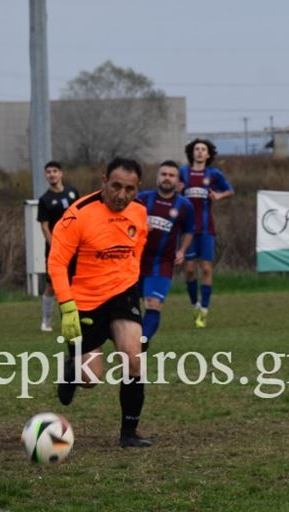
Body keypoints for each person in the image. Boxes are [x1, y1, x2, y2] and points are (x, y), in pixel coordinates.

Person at [48, 157, 151, 448]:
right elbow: (56, 263)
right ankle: (72, 371)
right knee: (91, 378)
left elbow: (137, 248)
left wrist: (132, 282)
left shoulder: (139, 212)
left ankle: (129, 433)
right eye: (116, 186)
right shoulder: (78, 214)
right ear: (104, 181)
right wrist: (67, 307)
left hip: (122, 293)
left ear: (137, 188)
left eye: (129, 189)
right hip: (84, 301)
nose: (121, 195)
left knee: (133, 359)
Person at [137, 160, 195, 350]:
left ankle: (142, 341)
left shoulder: (184, 205)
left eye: (171, 175)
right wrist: (140, 226)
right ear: (157, 177)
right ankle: (129, 338)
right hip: (135, 261)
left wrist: (182, 250)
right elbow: (124, 221)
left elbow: (189, 230)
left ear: (178, 181)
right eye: (163, 174)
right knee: (129, 306)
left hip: (162, 263)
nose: (167, 178)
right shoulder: (142, 199)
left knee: (153, 304)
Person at [179, 138, 234, 328]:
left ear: (208, 154)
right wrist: (177, 192)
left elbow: (230, 190)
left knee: (206, 269)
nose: (200, 152)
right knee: (189, 269)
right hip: (187, 229)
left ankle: (204, 310)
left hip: (206, 228)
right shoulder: (183, 173)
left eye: (203, 149)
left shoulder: (213, 174)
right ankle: (194, 304)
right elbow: (170, 192)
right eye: (197, 149)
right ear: (192, 152)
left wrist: (219, 195)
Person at [36, 161, 79, 332]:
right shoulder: (44, 200)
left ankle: (75, 317)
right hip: (56, 249)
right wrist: (55, 245)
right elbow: (44, 226)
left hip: (76, 246)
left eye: (55, 171)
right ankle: (46, 321)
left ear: (61, 173)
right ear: (45, 175)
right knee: (52, 285)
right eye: (48, 172)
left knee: (76, 283)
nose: (52, 174)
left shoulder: (72, 192)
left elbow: (81, 215)